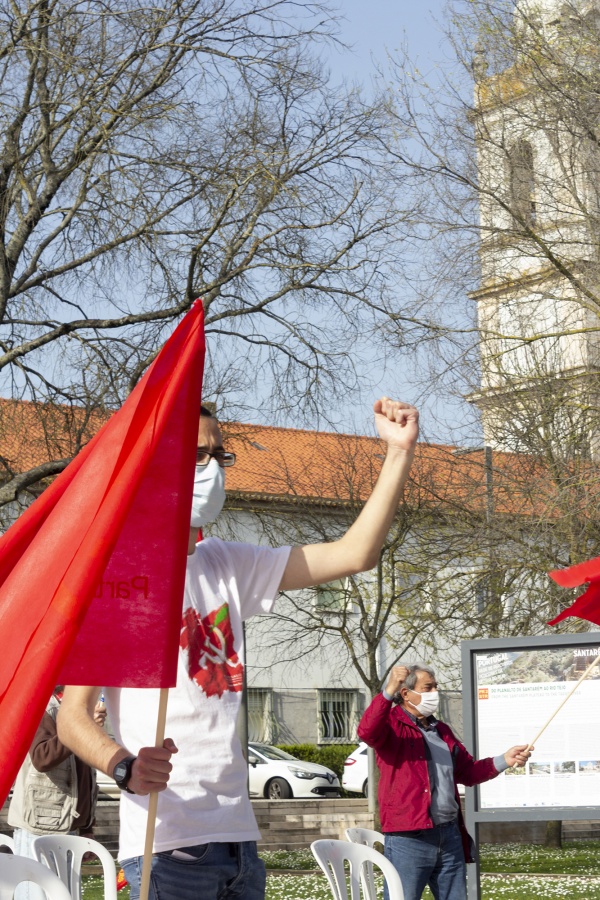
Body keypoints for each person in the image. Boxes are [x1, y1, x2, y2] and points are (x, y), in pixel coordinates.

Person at [57, 397, 419, 900]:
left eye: (219, 455)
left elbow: (356, 553)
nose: (213, 470)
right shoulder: (124, 579)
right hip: (167, 847)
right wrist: (125, 767)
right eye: (197, 456)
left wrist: (399, 453)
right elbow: (71, 716)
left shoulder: (226, 563)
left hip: (240, 845)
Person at [357, 664, 533, 900]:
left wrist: (505, 759)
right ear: (406, 693)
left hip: (449, 835)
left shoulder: (442, 731)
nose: (435, 693)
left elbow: (468, 773)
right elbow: (367, 732)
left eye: (436, 687)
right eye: (428, 688)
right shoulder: (391, 725)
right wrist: (388, 690)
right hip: (409, 838)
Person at [8, 686, 106, 900]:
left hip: (69, 827)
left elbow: (84, 775)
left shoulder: (75, 709)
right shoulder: (41, 705)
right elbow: (42, 757)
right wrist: (80, 728)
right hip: (39, 828)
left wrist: (87, 828)